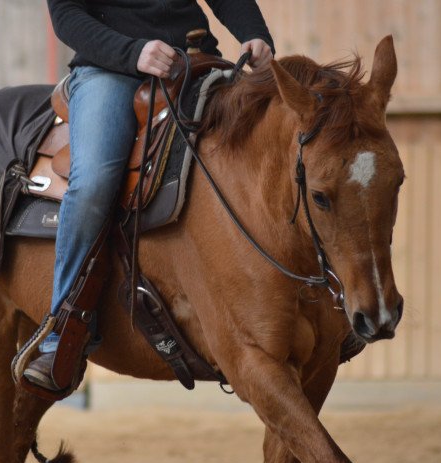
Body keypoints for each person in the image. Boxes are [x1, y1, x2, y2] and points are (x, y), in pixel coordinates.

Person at [21, 0, 275, 393]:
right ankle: (62, 331)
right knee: (92, 183)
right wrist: (133, 52)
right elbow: (68, 15)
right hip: (110, 70)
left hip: (194, 62)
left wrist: (254, 34)